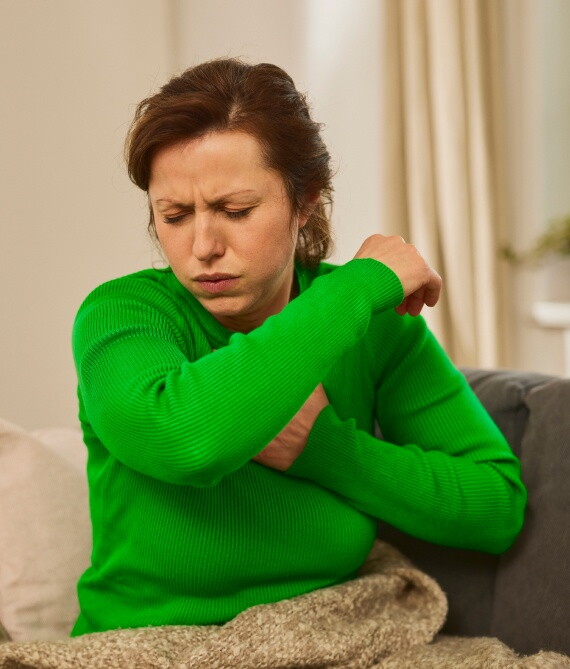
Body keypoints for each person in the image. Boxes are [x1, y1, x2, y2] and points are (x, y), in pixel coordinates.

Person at [70, 57, 527, 637]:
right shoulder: (123, 314)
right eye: (175, 215)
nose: (202, 245)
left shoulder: (376, 324)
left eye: (235, 210)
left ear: (305, 201)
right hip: (143, 646)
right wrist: (361, 284)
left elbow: (498, 508)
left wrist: (322, 448)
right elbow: (184, 441)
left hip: (331, 634)